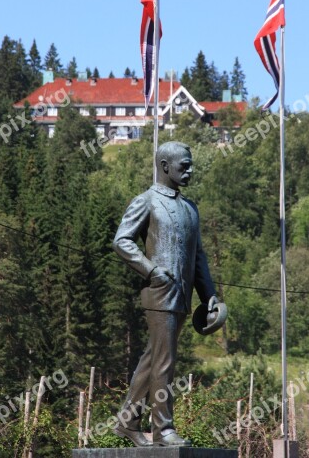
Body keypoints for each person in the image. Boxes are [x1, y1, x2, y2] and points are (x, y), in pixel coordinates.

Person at [112, 141, 219, 447]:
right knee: (164, 363)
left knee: (154, 360)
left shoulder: (190, 208)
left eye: (190, 165)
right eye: (184, 165)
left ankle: (127, 421)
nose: (190, 171)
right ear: (164, 166)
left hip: (183, 296)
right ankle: (163, 430)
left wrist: (208, 295)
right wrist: (151, 271)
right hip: (159, 293)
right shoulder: (146, 201)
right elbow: (122, 241)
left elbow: (198, 256)